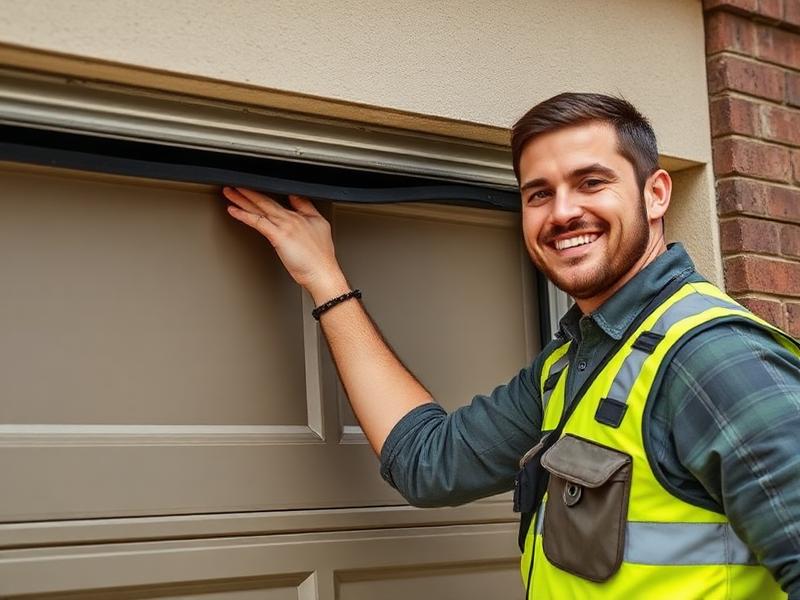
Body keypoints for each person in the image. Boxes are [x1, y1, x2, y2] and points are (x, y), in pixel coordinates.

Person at [222, 93, 800, 599]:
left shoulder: (712, 358)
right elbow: (430, 462)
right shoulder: (574, 363)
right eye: (539, 193)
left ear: (655, 194)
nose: (563, 212)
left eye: (591, 182)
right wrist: (324, 279)